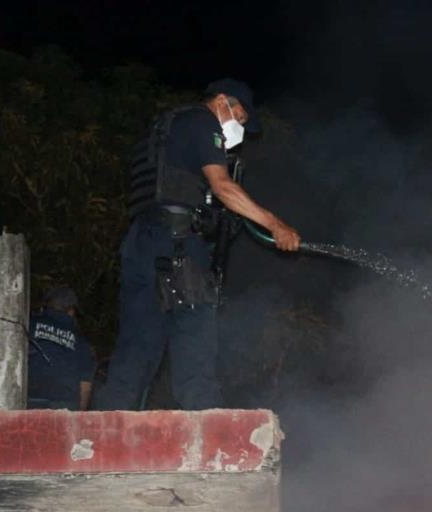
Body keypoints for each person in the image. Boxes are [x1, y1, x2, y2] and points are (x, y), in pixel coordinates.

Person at [97, 78, 299, 411]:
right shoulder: (202, 122)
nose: (240, 131)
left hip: (141, 245)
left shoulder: (166, 127)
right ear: (222, 102)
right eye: (241, 119)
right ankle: (210, 432)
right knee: (196, 344)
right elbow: (223, 188)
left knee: (137, 348)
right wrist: (276, 225)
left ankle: (105, 435)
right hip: (176, 246)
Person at [27, 287, 96, 410]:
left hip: (28, 401)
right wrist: (78, 418)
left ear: (44, 306)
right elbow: (85, 385)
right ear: (71, 311)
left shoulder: (28, 325)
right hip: (64, 406)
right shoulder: (81, 342)